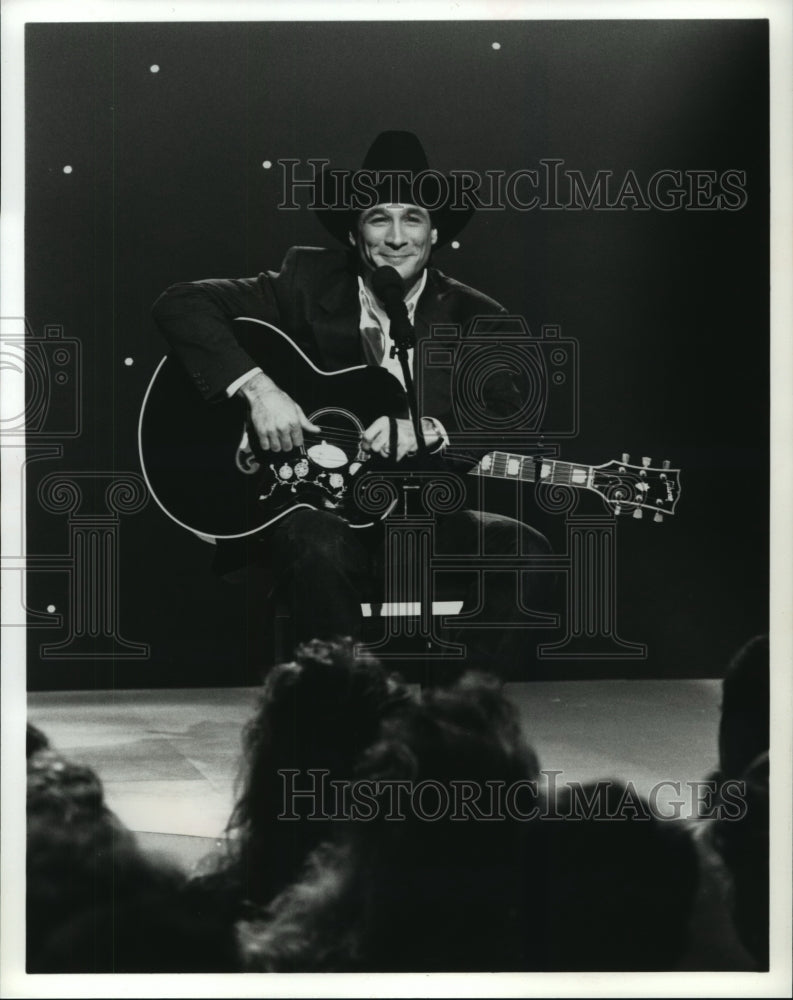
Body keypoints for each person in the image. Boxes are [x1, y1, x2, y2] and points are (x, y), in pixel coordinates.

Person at [152, 131, 552, 670]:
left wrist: (432, 429)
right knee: (319, 541)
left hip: (419, 512)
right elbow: (181, 303)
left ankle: (460, 709)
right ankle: (341, 710)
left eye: (412, 217)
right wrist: (260, 392)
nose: (395, 237)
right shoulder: (303, 281)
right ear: (353, 230)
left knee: (523, 550)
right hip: (309, 509)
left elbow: (519, 421)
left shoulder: (479, 317)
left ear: (434, 234)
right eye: (378, 218)